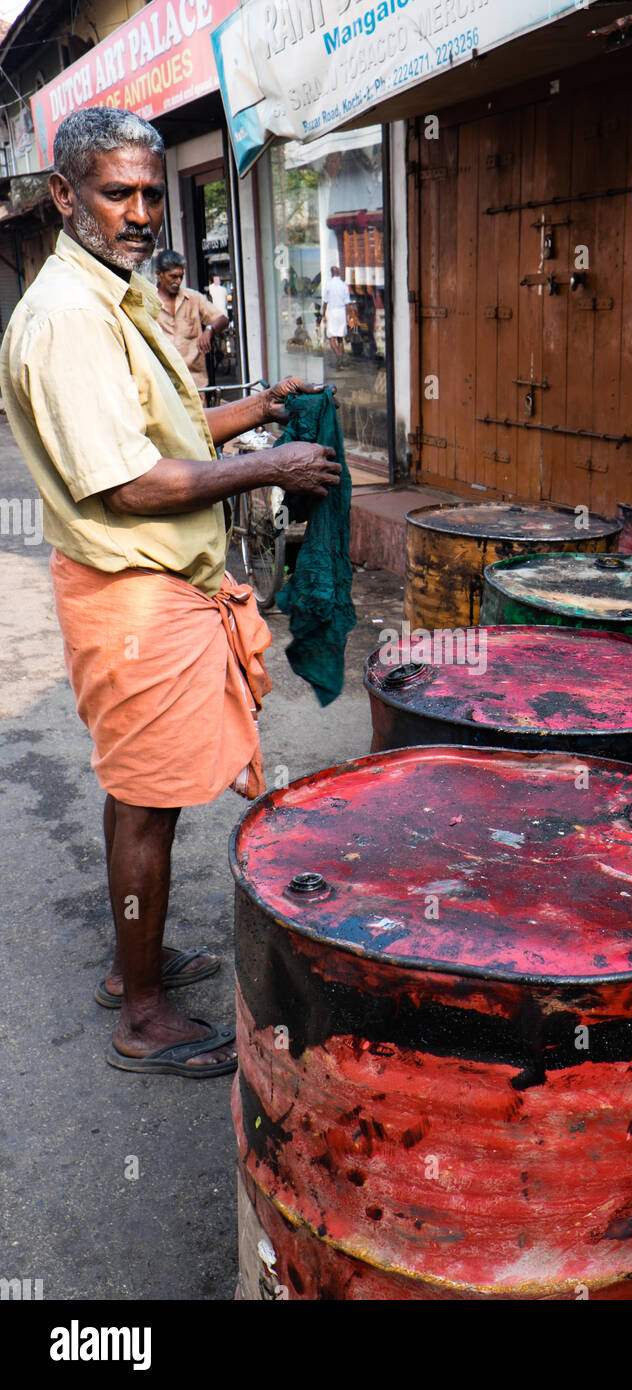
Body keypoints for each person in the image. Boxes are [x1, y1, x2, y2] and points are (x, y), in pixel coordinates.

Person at [0, 108, 341, 1078]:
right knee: (147, 804)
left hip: (155, 591)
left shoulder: (113, 290)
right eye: (120, 193)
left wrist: (258, 409)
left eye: (152, 193)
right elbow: (129, 480)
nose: (144, 211)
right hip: (134, 598)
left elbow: (170, 434)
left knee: (136, 791)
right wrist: (267, 465)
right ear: (65, 197)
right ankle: (142, 1014)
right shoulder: (67, 316)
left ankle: (131, 962)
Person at [154, 248, 228, 390]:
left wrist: (209, 330)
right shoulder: (148, 301)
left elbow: (222, 319)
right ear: (159, 275)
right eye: (173, 276)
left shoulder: (194, 298)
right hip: (164, 385)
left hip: (195, 384)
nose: (178, 281)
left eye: (181, 277)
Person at [322, 264, 351, 369]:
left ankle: (339, 357)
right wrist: (348, 316)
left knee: (331, 338)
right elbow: (347, 303)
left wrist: (323, 314)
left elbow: (325, 302)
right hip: (341, 312)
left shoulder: (328, 285)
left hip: (332, 312)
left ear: (331, 273)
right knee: (340, 338)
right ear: (338, 273)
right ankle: (341, 362)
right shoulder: (344, 285)